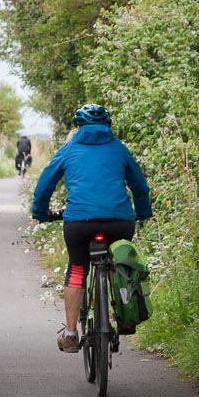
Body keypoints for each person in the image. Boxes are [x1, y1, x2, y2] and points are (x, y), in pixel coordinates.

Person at [30, 103, 152, 352]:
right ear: (108, 125)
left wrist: (41, 213)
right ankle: (122, 315)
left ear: (78, 126)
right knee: (117, 265)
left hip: (79, 223)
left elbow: (44, 186)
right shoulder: (119, 149)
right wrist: (143, 212)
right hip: (120, 222)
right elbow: (139, 187)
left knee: (77, 269)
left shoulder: (68, 150)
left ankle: (71, 335)